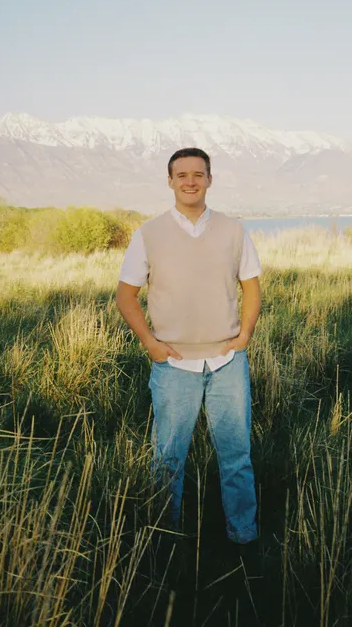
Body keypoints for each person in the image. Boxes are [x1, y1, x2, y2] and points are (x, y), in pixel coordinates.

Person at [115, 147, 262, 546]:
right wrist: (150, 344)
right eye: (182, 175)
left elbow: (252, 287)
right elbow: (125, 295)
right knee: (167, 461)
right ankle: (163, 542)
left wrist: (244, 334)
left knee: (236, 458)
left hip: (227, 361)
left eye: (199, 174)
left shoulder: (234, 231)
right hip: (173, 364)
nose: (191, 181)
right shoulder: (149, 234)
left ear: (210, 179)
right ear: (170, 181)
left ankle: (244, 538)